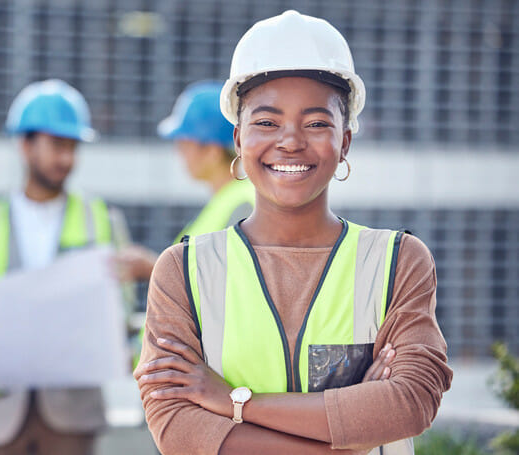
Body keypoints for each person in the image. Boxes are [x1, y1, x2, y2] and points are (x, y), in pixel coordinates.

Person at [134, 10, 452, 455]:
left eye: (317, 122)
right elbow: (178, 430)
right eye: (266, 122)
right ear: (239, 138)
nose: (290, 141)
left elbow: (411, 402)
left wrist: (232, 403)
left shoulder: (397, 262)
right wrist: (350, 428)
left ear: (345, 141)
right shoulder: (182, 271)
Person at [0, 79, 123, 455]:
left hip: (71, 409)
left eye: (73, 147)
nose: (67, 159)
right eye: (57, 145)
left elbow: (118, 311)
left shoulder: (101, 220)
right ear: (25, 144)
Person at [115, 81, 254, 284]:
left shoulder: (242, 204)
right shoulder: (226, 202)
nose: (180, 153)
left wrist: (153, 267)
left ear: (212, 151)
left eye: (185, 144)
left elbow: (225, 283)